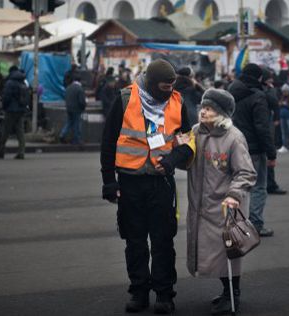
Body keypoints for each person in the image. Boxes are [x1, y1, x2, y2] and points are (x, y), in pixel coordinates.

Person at [100, 59, 191, 314]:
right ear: (151, 84)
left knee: (163, 241)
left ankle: (164, 294)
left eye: (172, 86)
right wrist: (108, 180)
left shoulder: (178, 101)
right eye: (164, 87)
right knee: (135, 240)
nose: (168, 91)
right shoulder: (126, 98)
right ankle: (139, 291)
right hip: (130, 182)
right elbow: (108, 141)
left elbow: (187, 141)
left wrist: (173, 160)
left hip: (161, 184)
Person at [180, 89, 256, 315]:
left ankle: (234, 295)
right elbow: (185, 161)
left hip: (225, 206)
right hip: (200, 206)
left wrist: (234, 195)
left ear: (221, 113)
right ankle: (226, 292)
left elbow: (246, 173)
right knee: (211, 253)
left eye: (210, 108)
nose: (203, 111)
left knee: (228, 252)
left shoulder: (234, 137)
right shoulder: (195, 132)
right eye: (203, 106)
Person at [228, 63, 276, 237]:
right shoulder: (257, 96)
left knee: (236, 185)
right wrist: (271, 153)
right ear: (260, 78)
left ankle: (235, 222)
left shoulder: (230, 91)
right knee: (257, 186)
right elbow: (262, 127)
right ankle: (255, 223)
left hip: (232, 146)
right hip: (254, 148)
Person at [262, 68, 287, 195]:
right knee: (268, 155)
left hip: (246, 127)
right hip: (263, 125)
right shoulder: (267, 91)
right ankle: (270, 184)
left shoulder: (242, 88)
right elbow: (274, 104)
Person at [0, 66, 29, 159]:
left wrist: (4, 107)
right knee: (20, 132)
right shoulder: (23, 82)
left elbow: (6, 97)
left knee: (5, 131)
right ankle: (21, 152)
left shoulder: (10, 83)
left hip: (11, 110)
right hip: (21, 110)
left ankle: (0, 151)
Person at [59, 74, 86, 145]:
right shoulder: (79, 89)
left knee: (69, 123)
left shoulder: (68, 88)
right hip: (77, 109)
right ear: (80, 81)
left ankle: (62, 134)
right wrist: (83, 107)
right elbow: (82, 101)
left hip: (69, 108)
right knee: (77, 125)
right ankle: (76, 140)